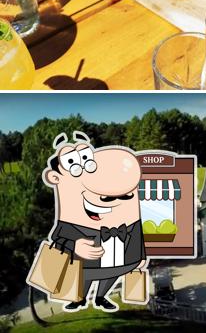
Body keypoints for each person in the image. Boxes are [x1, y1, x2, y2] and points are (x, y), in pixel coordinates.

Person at [35, 132, 147, 312]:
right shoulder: (70, 223)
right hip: (86, 265)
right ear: (55, 178)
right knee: (84, 277)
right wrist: (75, 246)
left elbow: (135, 234)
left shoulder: (128, 220)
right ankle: (80, 298)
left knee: (111, 276)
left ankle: (101, 297)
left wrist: (140, 256)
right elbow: (58, 238)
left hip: (117, 261)